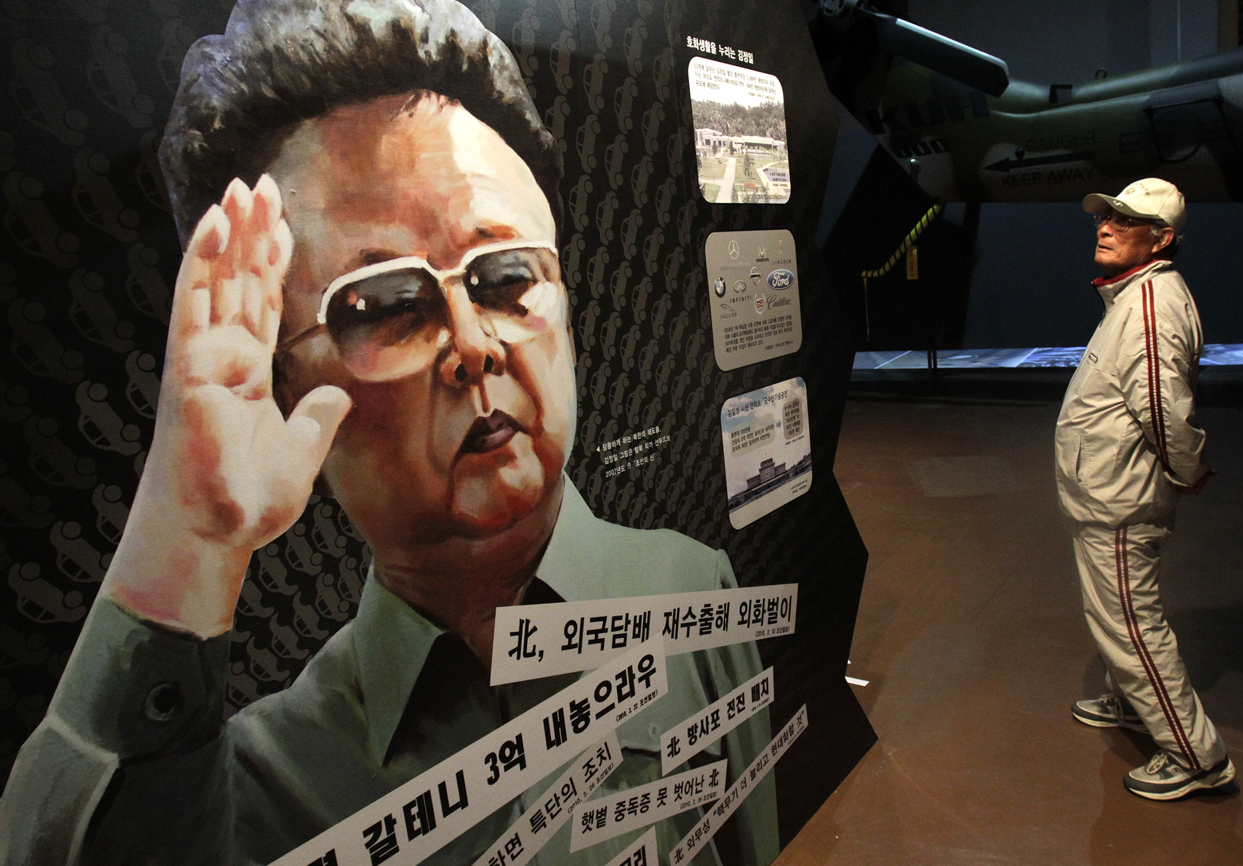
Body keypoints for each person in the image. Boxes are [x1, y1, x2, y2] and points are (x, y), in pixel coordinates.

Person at [0, 0, 778, 863]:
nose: (473, 348)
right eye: (385, 306)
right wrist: (188, 537)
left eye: (506, 275)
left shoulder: (690, 588)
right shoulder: (261, 782)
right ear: (280, 383)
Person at [1057, 178, 1233, 800]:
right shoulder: (1132, 297)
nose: (1104, 226)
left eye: (1123, 220)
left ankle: (1195, 756)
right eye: (1104, 216)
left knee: (1133, 625)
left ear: (1160, 239)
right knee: (1116, 618)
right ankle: (1132, 702)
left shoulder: (1151, 307)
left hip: (1120, 503)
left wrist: (1188, 472)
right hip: (1105, 493)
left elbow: (1166, 411)